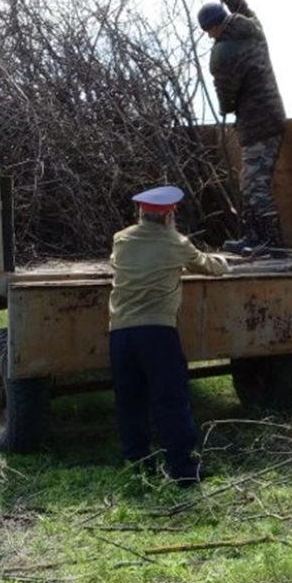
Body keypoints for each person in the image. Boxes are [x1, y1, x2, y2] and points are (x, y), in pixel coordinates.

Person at [108, 185, 230, 485]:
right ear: (170, 216)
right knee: (171, 401)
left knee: (130, 401)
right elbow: (209, 267)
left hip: (120, 334)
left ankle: (138, 467)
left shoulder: (121, 240)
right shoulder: (176, 242)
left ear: (140, 213)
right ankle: (183, 472)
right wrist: (226, 260)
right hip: (157, 333)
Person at [197, 0, 286, 256]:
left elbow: (226, 94)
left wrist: (226, 108)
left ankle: (273, 243)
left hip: (257, 123)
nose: (208, 36)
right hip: (271, 116)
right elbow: (241, 7)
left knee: (255, 185)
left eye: (207, 30)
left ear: (213, 26)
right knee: (248, 180)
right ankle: (252, 237)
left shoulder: (223, 53)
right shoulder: (253, 28)